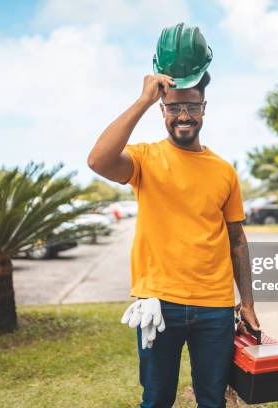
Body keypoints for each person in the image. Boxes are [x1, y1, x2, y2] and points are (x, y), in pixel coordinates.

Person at [87, 23, 259, 408]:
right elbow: (98, 160)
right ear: (163, 110)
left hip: (215, 307)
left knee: (212, 400)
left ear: (203, 109)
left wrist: (246, 303)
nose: (184, 115)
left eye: (192, 107)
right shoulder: (145, 159)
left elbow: (238, 240)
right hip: (159, 304)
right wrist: (143, 100)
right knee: (157, 399)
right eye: (175, 107)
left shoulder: (224, 170)